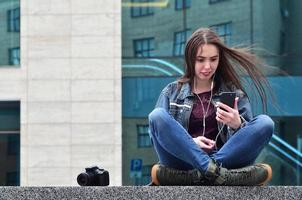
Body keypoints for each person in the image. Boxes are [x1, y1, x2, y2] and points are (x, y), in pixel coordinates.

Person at [148, 28, 274, 186]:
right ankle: (214, 173)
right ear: (190, 59)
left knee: (265, 123)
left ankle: (202, 174)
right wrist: (191, 143)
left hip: (225, 162)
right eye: (200, 60)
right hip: (182, 163)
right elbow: (157, 136)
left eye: (213, 59)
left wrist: (237, 125)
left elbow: (247, 142)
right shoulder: (171, 92)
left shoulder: (233, 92)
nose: (207, 66)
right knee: (157, 116)